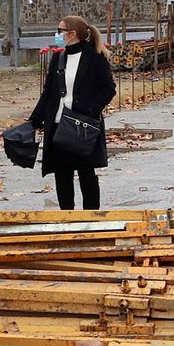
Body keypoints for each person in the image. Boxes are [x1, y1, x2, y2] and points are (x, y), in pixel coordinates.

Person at [29, 15, 117, 211]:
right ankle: (66, 216)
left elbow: (109, 88)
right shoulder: (59, 58)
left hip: (82, 125)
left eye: (60, 31)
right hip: (59, 125)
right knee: (62, 174)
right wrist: (33, 121)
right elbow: (48, 93)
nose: (57, 34)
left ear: (72, 33)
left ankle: (91, 217)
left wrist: (90, 109)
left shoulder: (95, 56)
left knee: (86, 173)